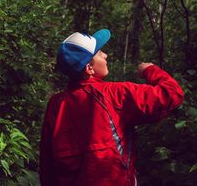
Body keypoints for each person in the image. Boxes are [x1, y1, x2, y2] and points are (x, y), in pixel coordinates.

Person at [39, 29, 184, 186]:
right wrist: (150, 70)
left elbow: (47, 162)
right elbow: (172, 93)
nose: (105, 55)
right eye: (100, 52)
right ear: (89, 68)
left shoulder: (56, 104)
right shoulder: (114, 94)